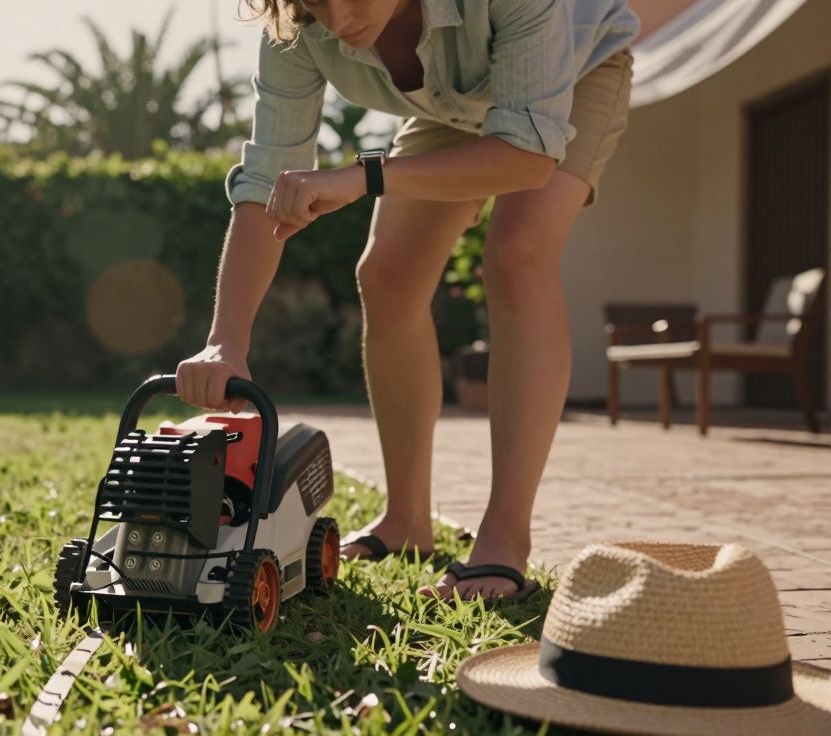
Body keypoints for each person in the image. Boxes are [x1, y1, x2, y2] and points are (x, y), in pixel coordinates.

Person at [175, 0, 639, 601]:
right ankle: (407, 521)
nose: (339, 21)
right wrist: (225, 341)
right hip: (452, 109)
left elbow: (527, 155)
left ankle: (504, 540)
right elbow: (267, 183)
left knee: (517, 253)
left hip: (572, 76)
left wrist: (365, 176)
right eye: (317, 2)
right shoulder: (299, 26)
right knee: (388, 277)